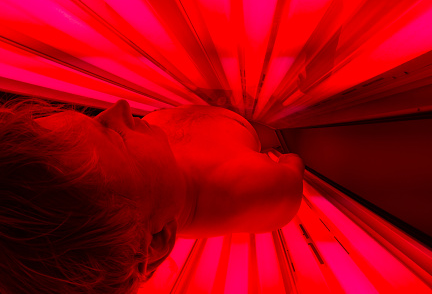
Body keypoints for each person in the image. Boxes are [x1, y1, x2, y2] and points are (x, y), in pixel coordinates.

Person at [0, 99, 304, 294]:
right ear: (158, 241)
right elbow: (293, 161)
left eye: (96, 120)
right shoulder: (256, 191)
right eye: (117, 136)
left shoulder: (152, 152)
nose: (119, 108)